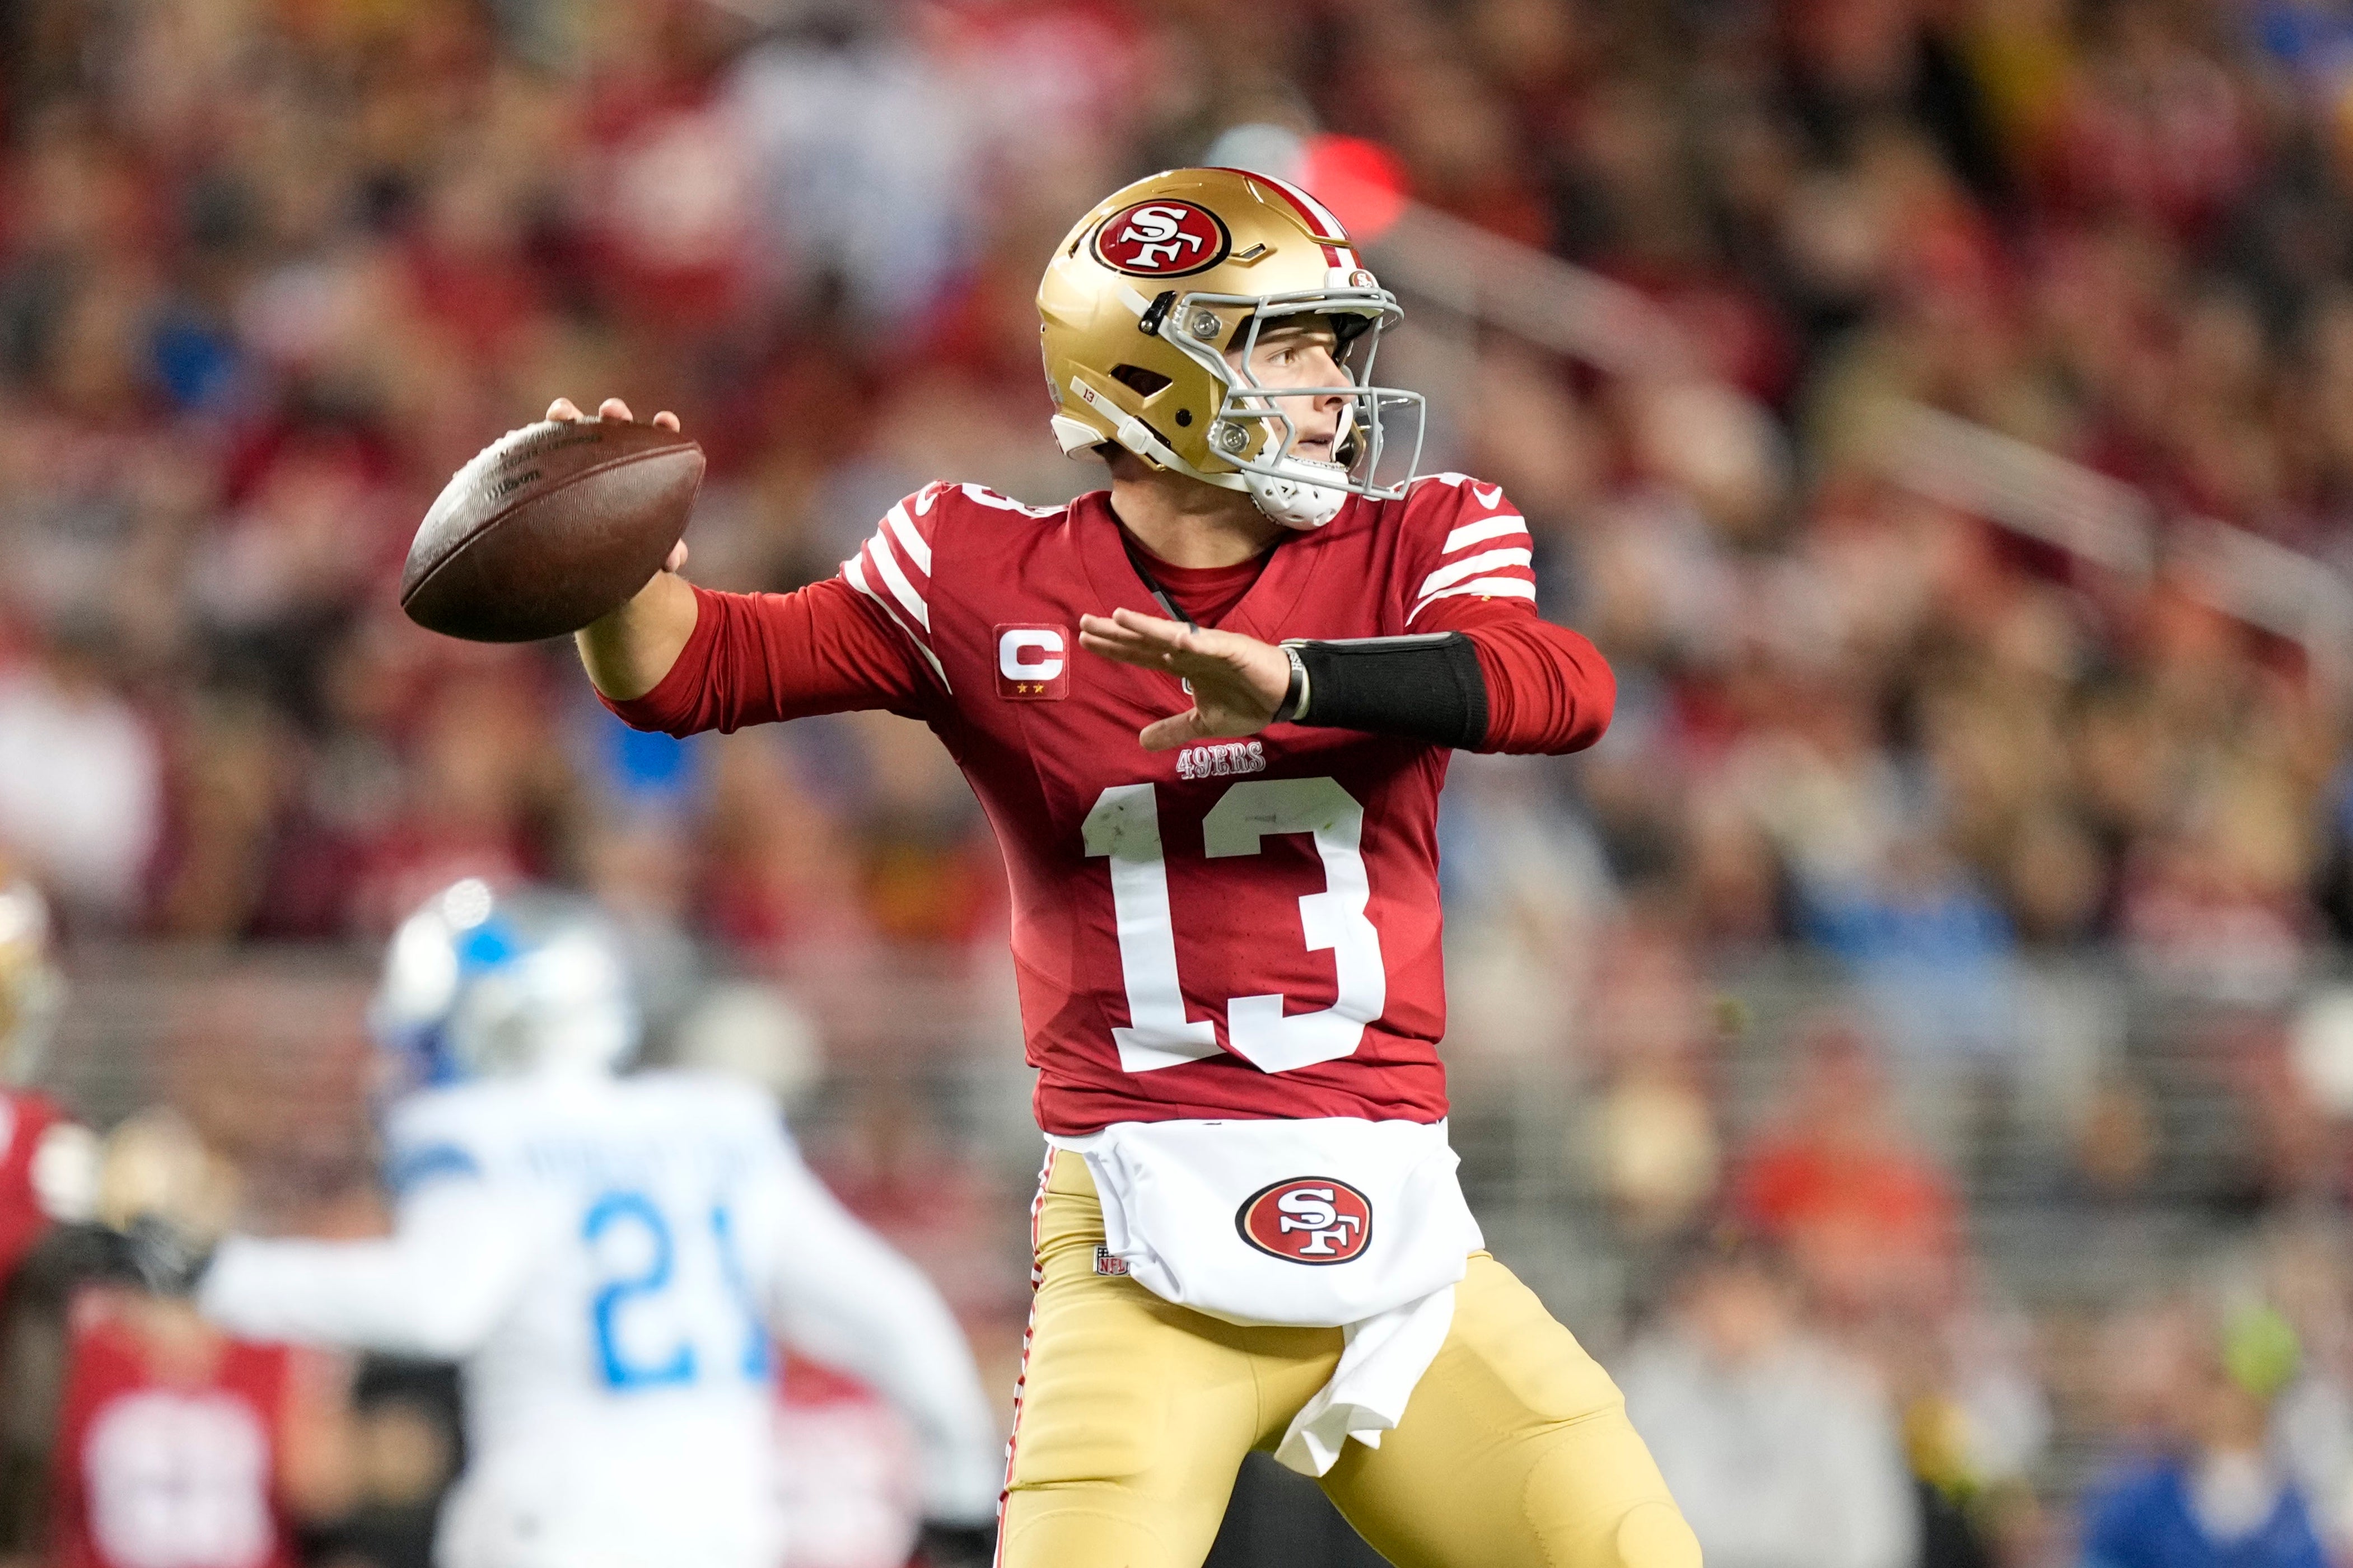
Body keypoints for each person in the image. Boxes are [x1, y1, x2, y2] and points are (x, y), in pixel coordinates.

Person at [569, 166, 1697, 1568]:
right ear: (1158, 378)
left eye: (1333, 352)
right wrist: (603, 568)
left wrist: (1294, 682)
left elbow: (1559, 686)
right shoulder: (973, 572)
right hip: (1140, 1240)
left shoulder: (1419, 538)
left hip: (1405, 1241)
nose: (1330, 392)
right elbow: (692, 667)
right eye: (1286, 348)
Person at [171, 879, 1003, 1568]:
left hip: (552, 1531)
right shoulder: (718, 1124)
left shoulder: (487, 1134)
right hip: (726, 1536)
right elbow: (896, 1314)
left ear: (502, 1022)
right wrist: (960, 1500)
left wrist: (214, 1273)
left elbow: (439, 1303)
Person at [1617, 1237, 1919, 1568]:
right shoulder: (1651, 1386)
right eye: (1717, 1295)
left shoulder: (1842, 1396)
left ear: (1784, 1299)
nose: (1730, 1314)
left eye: (1747, 1295)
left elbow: (1876, 1536)